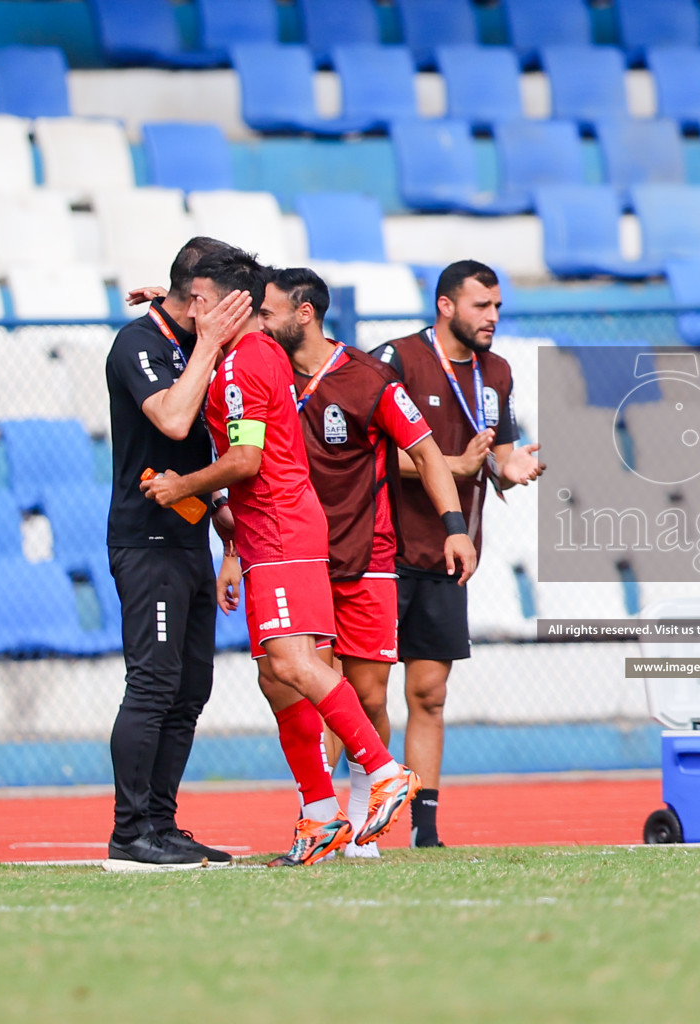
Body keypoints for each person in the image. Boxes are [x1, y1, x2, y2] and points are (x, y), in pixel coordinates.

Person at [141, 249, 423, 866]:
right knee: (277, 677)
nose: (196, 312)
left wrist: (179, 487)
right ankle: (321, 817)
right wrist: (170, 312)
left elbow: (245, 462)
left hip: (279, 529)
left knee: (296, 665)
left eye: (201, 300)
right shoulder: (257, 349)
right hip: (276, 532)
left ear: (229, 304)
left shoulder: (243, 366)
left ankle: (383, 771)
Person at [250, 267, 477, 858]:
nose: (260, 322)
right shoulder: (265, 375)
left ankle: (361, 822)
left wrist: (455, 528)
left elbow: (427, 455)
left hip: (366, 556)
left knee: (369, 696)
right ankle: (320, 822)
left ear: (305, 313)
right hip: (297, 555)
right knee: (302, 688)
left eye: (269, 312)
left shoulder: (368, 378)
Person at [370, 260, 545, 848]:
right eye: (481, 307)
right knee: (366, 691)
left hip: (451, 556)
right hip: (384, 549)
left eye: (497, 307)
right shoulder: (396, 360)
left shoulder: (497, 371)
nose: (492, 317)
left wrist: (509, 466)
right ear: (445, 305)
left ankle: (425, 831)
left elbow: (500, 451)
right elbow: (362, 456)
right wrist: (451, 467)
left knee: (429, 694)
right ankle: (343, 817)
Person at [103, 236, 246, 871]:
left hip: (190, 541)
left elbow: (201, 463)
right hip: (146, 542)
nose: (235, 318)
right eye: (228, 305)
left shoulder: (190, 337)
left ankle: (162, 824)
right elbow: (173, 421)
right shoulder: (137, 343)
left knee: (191, 689)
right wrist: (205, 339)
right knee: (154, 684)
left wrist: (228, 545)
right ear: (201, 299)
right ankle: (129, 833)